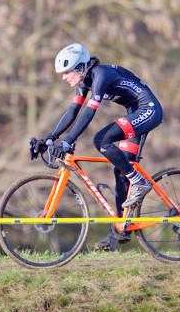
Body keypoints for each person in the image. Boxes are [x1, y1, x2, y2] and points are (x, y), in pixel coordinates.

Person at [30, 43, 163, 251]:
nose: (64, 77)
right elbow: (72, 112)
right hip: (135, 111)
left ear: (80, 67)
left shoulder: (101, 75)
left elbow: (89, 112)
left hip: (148, 111)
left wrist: (68, 141)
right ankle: (121, 229)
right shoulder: (84, 82)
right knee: (121, 169)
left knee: (101, 140)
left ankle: (139, 182)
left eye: (67, 72)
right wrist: (48, 139)